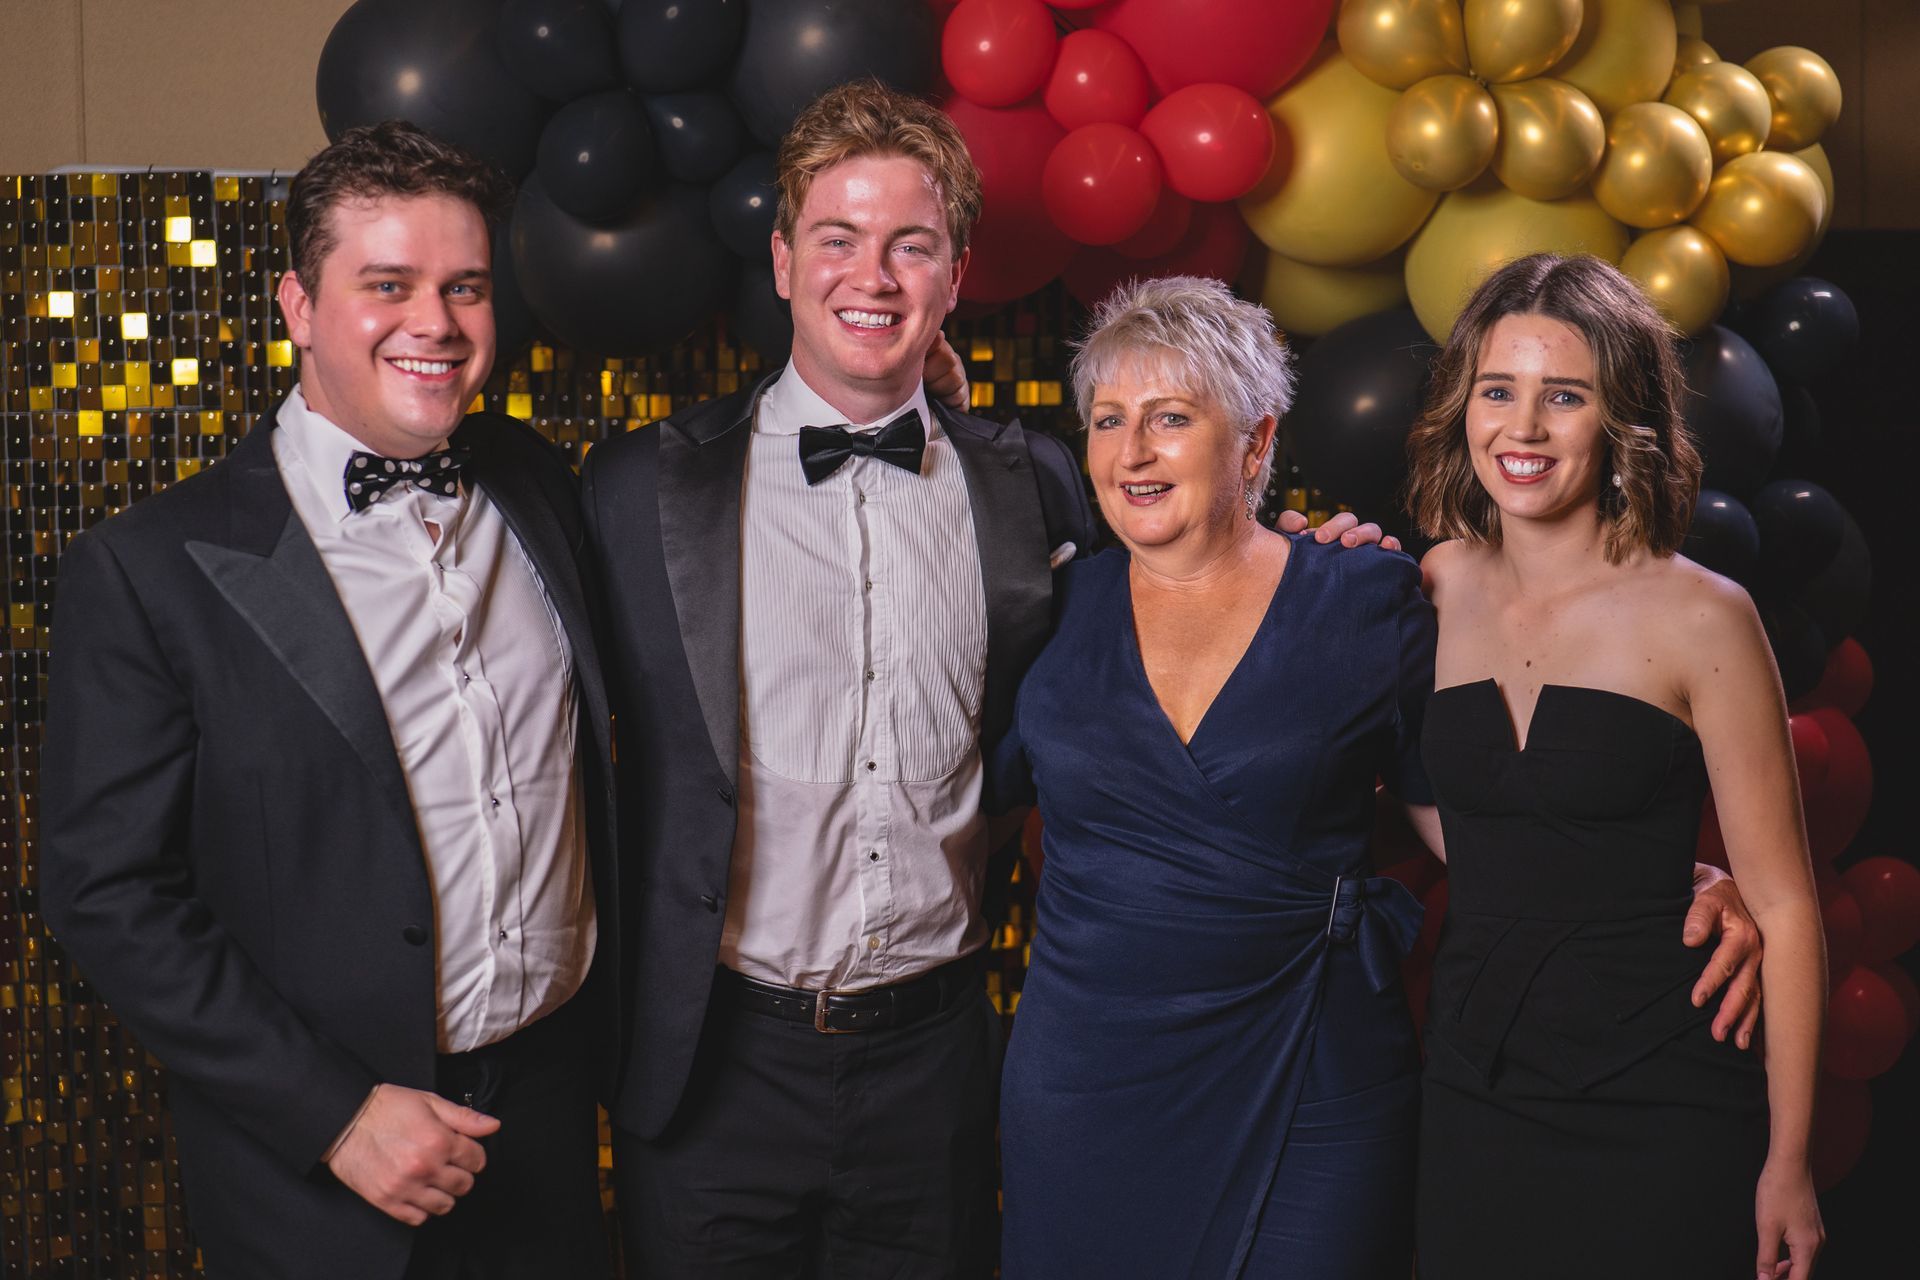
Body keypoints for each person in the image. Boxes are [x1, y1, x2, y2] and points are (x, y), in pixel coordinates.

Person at [584, 80, 1382, 1276]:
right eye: (838, 238)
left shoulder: (1037, 483)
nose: (873, 275)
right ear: (784, 261)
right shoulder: (640, 487)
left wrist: (1309, 561)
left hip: (940, 1065)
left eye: (911, 245)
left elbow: (1174, 613)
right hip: (713, 1063)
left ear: (955, 275)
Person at [993, 275, 1766, 1279]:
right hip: (1086, 1088)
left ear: (1256, 444)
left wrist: (1667, 877)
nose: (1132, 451)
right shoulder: (1044, 610)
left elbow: (1488, 813)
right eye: (1109, 420)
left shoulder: (1369, 597)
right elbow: (952, 811)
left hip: (1315, 1077)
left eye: (1171, 418)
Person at [41, 121, 616, 1279]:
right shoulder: (150, 567)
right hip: (319, 1168)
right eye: (388, 285)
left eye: (464, 287)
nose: (435, 323)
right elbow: (107, 892)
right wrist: (336, 1114)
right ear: (300, 306)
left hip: (551, 1122)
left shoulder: (538, 482)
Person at [1406, 253, 1825, 1280]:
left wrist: (1790, 1162)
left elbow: (1787, 905)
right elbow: (1467, 817)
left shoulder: (1705, 614)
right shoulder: (1435, 582)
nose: (1523, 427)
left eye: (1565, 396)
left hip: (1663, 1096)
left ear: (1622, 417)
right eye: (1497, 391)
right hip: (1472, 1089)